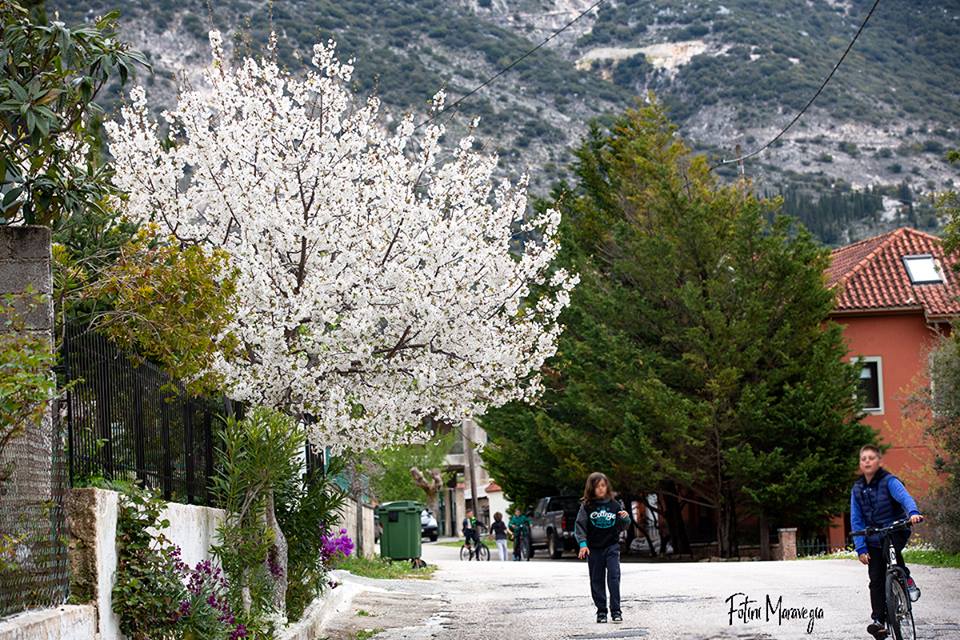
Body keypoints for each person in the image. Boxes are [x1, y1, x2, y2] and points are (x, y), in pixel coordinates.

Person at [851, 445, 924, 639]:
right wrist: (860, 547)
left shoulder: (889, 481)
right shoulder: (857, 490)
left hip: (896, 529)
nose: (867, 461)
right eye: (863, 458)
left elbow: (904, 498)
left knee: (888, 549)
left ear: (879, 462)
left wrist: (913, 513)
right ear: (861, 464)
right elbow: (856, 519)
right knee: (876, 578)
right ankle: (879, 622)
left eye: (871, 458)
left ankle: (906, 579)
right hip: (873, 535)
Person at [575, 472, 630, 624]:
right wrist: (583, 544)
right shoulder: (587, 506)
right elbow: (580, 526)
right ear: (591, 488)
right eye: (597, 486)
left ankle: (616, 610)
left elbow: (621, 526)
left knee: (614, 577)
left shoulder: (614, 505)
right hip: (594, 549)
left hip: (611, 547)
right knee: (597, 580)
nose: (600, 489)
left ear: (607, 487)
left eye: (603, 486)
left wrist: (626, 519)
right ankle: (601, 611)